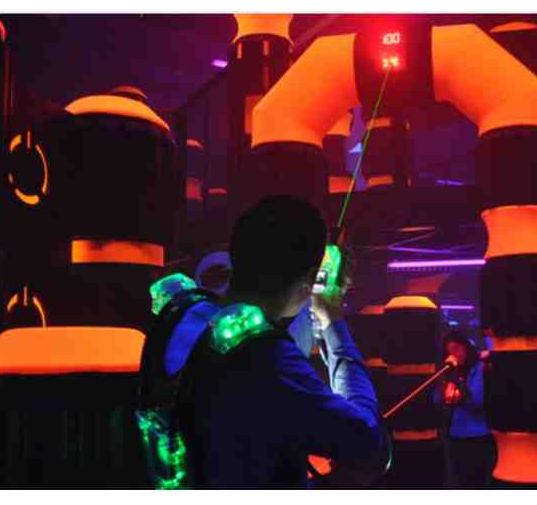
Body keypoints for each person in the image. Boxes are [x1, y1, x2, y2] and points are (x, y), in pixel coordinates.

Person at [147, 195, 388, 489]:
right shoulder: (263, 354)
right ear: (310, 279)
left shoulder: (181, 312)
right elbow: (368, 443)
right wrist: (331, 317)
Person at [434, 331, 495, 489]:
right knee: (461, 482)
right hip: (456, 435)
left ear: (466, 347)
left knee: (477, 482)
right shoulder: (448, 371)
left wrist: (458, 388)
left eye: (457, 349)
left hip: (478, 435)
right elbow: (437, 399)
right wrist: (445, 380)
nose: (454, 355)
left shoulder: (478, 368)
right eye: (449, 351)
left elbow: (476, 400)